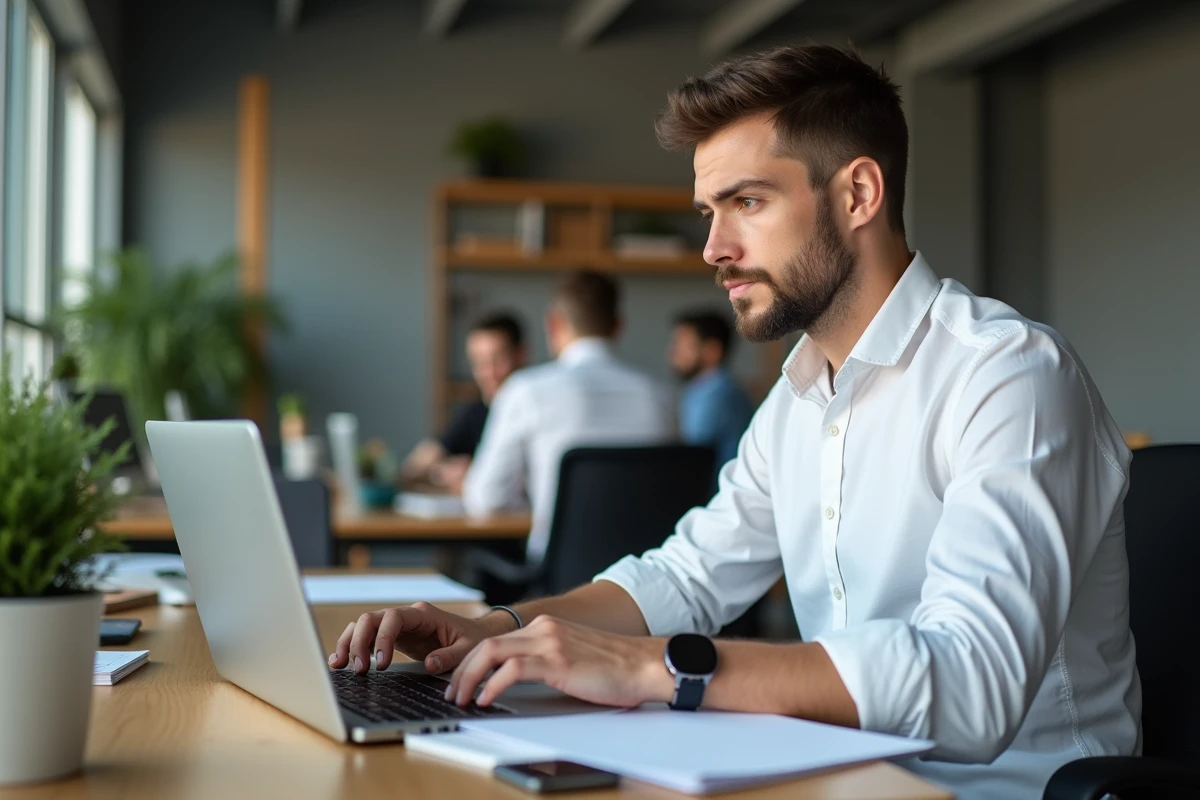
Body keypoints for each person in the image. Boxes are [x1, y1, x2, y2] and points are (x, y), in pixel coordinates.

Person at [330, 45, 1138, 799]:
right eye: (708, 211)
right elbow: (686, 578)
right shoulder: (795, 400)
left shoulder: (1009, 374)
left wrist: (660, 670)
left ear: (858, 193)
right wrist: (493, 627)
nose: (713, 248)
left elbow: (971, 688)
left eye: (747, 201)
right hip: (837, 776)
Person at [460, 270, 675, 565]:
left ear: (553, 324)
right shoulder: (660, 395)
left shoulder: (525, 390)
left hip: (561, 583)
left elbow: (485, 500)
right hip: (645, 581)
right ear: (617, 326)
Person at [400, 312, 525, 492]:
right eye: (479, 363)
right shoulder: (474, 412)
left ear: (521, 354)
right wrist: (440, 472)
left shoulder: (540, 411)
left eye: (498, 360)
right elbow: (413, 467)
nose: (489, 373)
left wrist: (476, 473)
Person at [669, 309, 754, 482]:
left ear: (712, 350)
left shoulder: (716, 395)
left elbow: (692, 457)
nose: (673, 354)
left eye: (683, 345)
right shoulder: (704, 390)